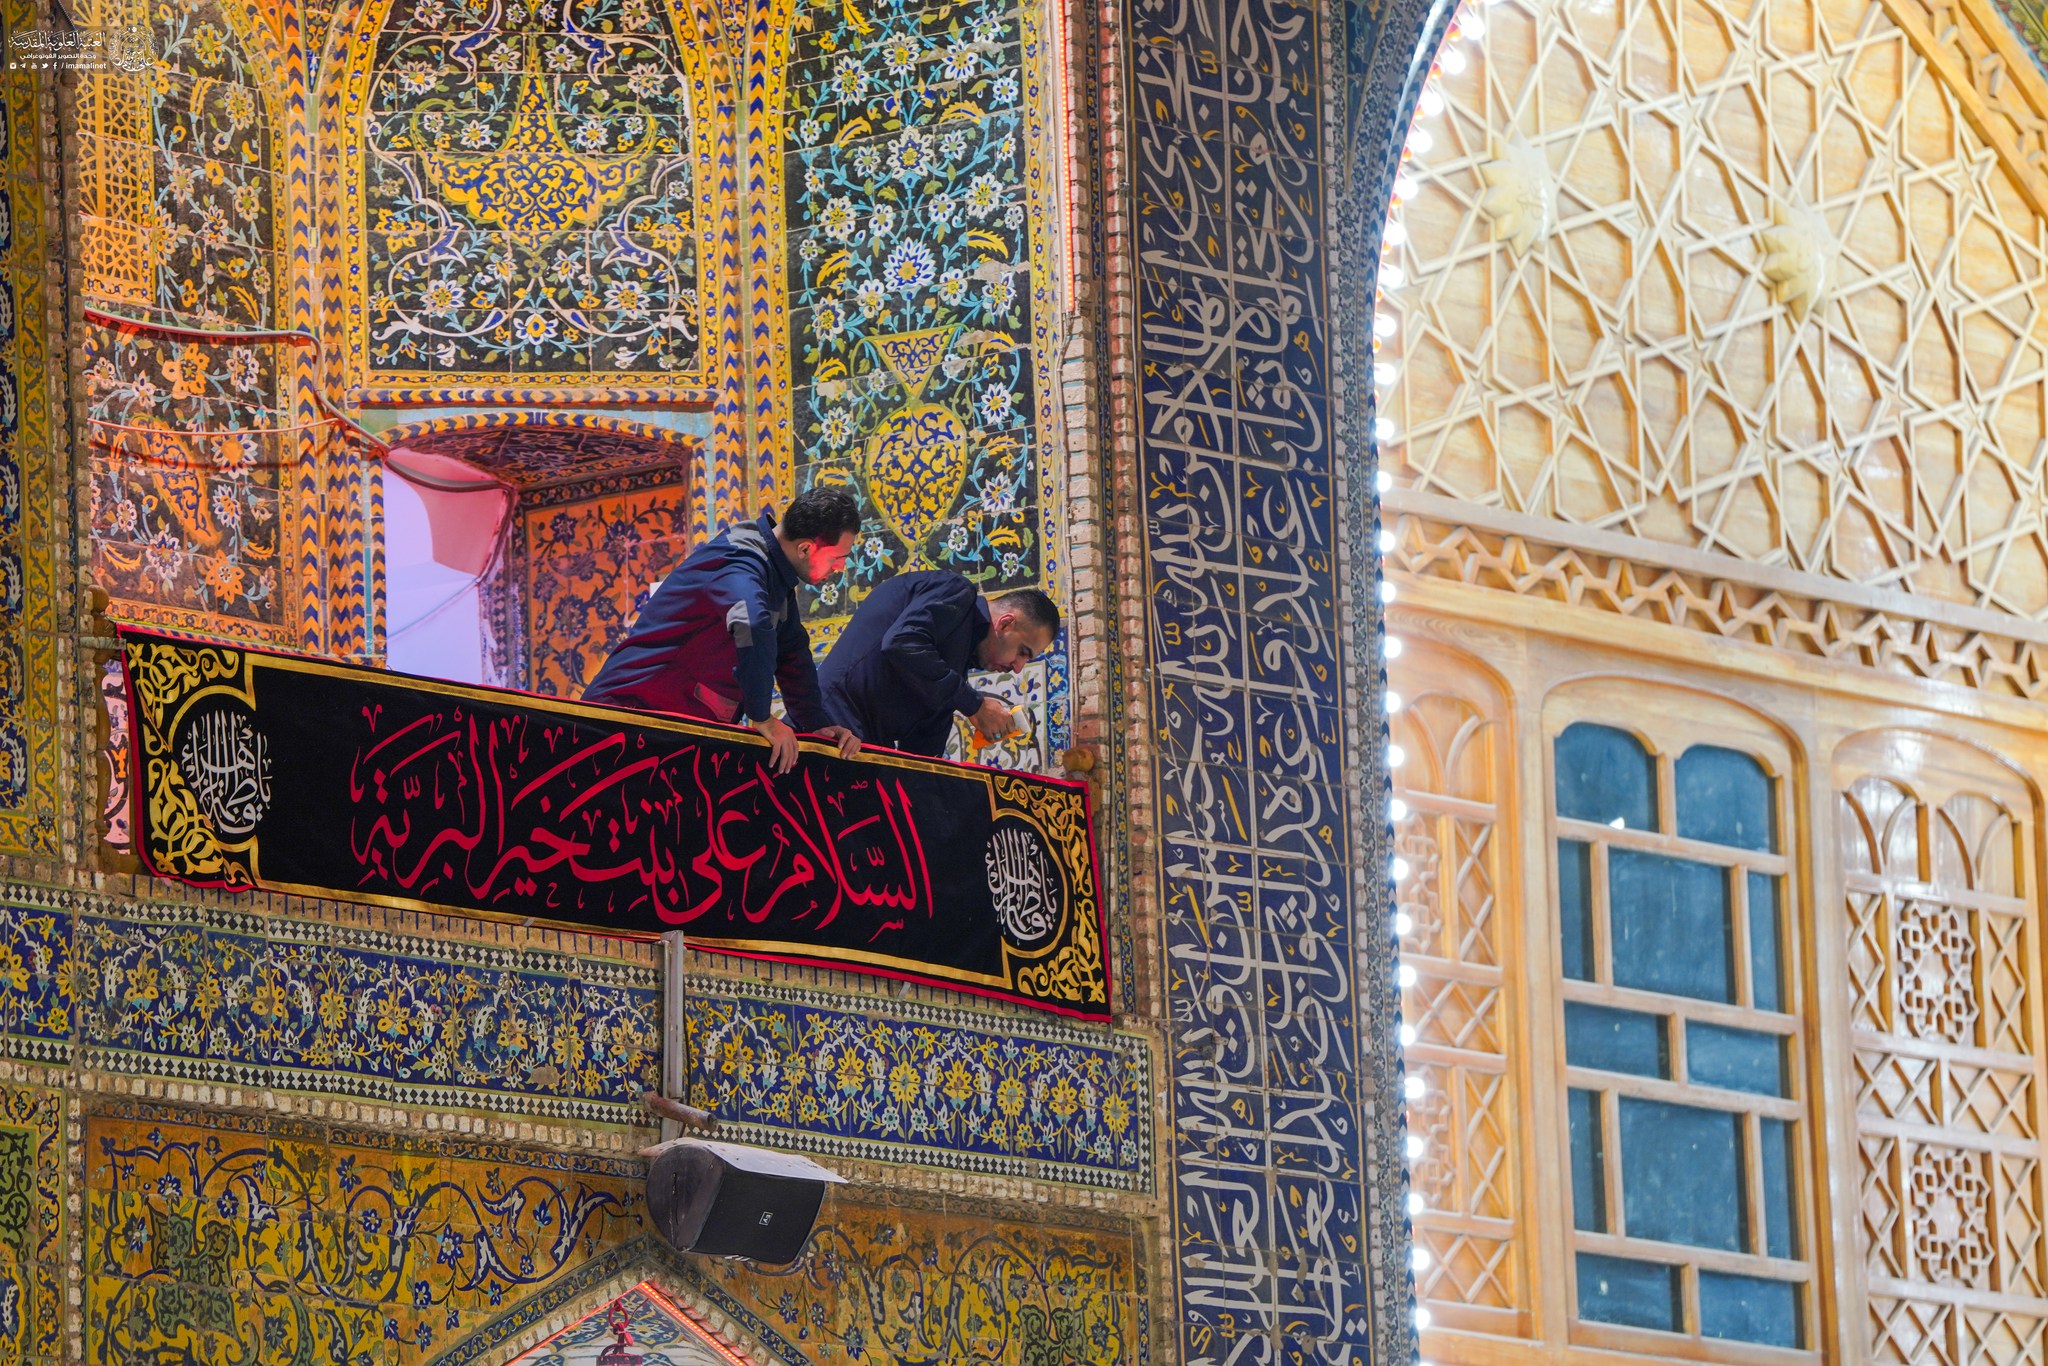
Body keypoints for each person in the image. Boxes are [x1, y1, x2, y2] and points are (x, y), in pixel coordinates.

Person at [583, 486, 864, 774]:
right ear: (805, 548)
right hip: (622, 720)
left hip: (669, 733)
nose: (841, 567)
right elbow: (751, 624)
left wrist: (817, 725)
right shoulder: (739, 559)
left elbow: (792, 653)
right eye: (837, 557)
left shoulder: (775, 576)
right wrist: (762, 717)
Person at [818, 571, 1060, 758]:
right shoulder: (956, 591)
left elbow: (921, 757)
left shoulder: (950, 671)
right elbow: (902, 643)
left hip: (862, 747)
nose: (1018, 668)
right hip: (829, 724)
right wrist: (975, 705)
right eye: (1022, 652)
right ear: (1005, 624)